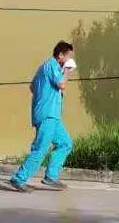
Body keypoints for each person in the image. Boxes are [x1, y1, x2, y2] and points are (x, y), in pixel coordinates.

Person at [9, 41, 75, 193]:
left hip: (53, 115)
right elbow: (61, 84)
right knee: (41, 148)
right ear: (60, 55)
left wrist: (44, 94)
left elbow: (32, 87)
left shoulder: (44, 68)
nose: (69, 60)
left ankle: (50, 176)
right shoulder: (51, 65)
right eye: (68, 57)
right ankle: (19, 179)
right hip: (47, 115)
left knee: (65, 143)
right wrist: (67, 71)